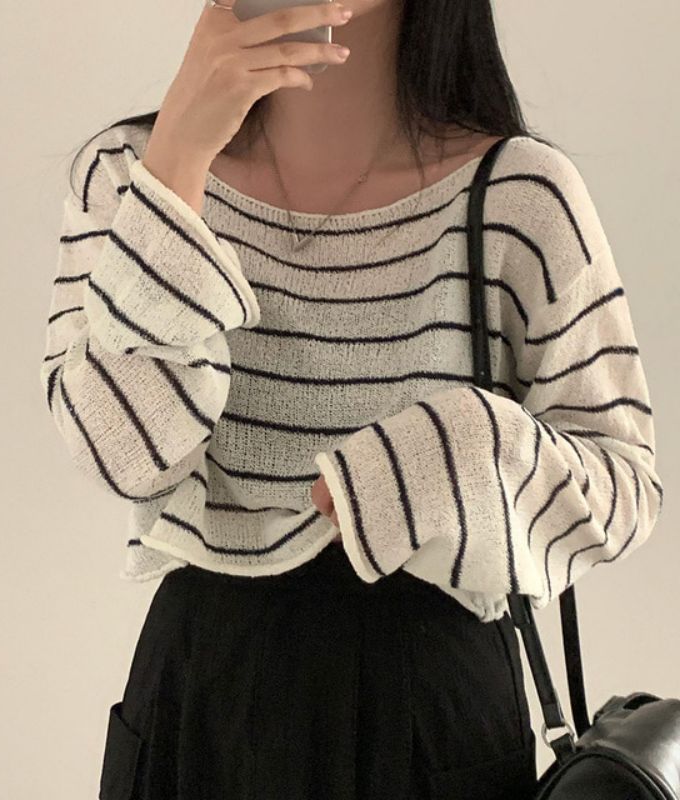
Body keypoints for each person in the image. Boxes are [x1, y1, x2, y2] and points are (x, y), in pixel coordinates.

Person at [39, 1, 664, 798]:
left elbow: (625, 489)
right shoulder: (129, 175)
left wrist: (458, 449)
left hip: (431, 716)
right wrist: (181, 158)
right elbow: (124, 453)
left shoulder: (519, 195)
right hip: (200, 709)